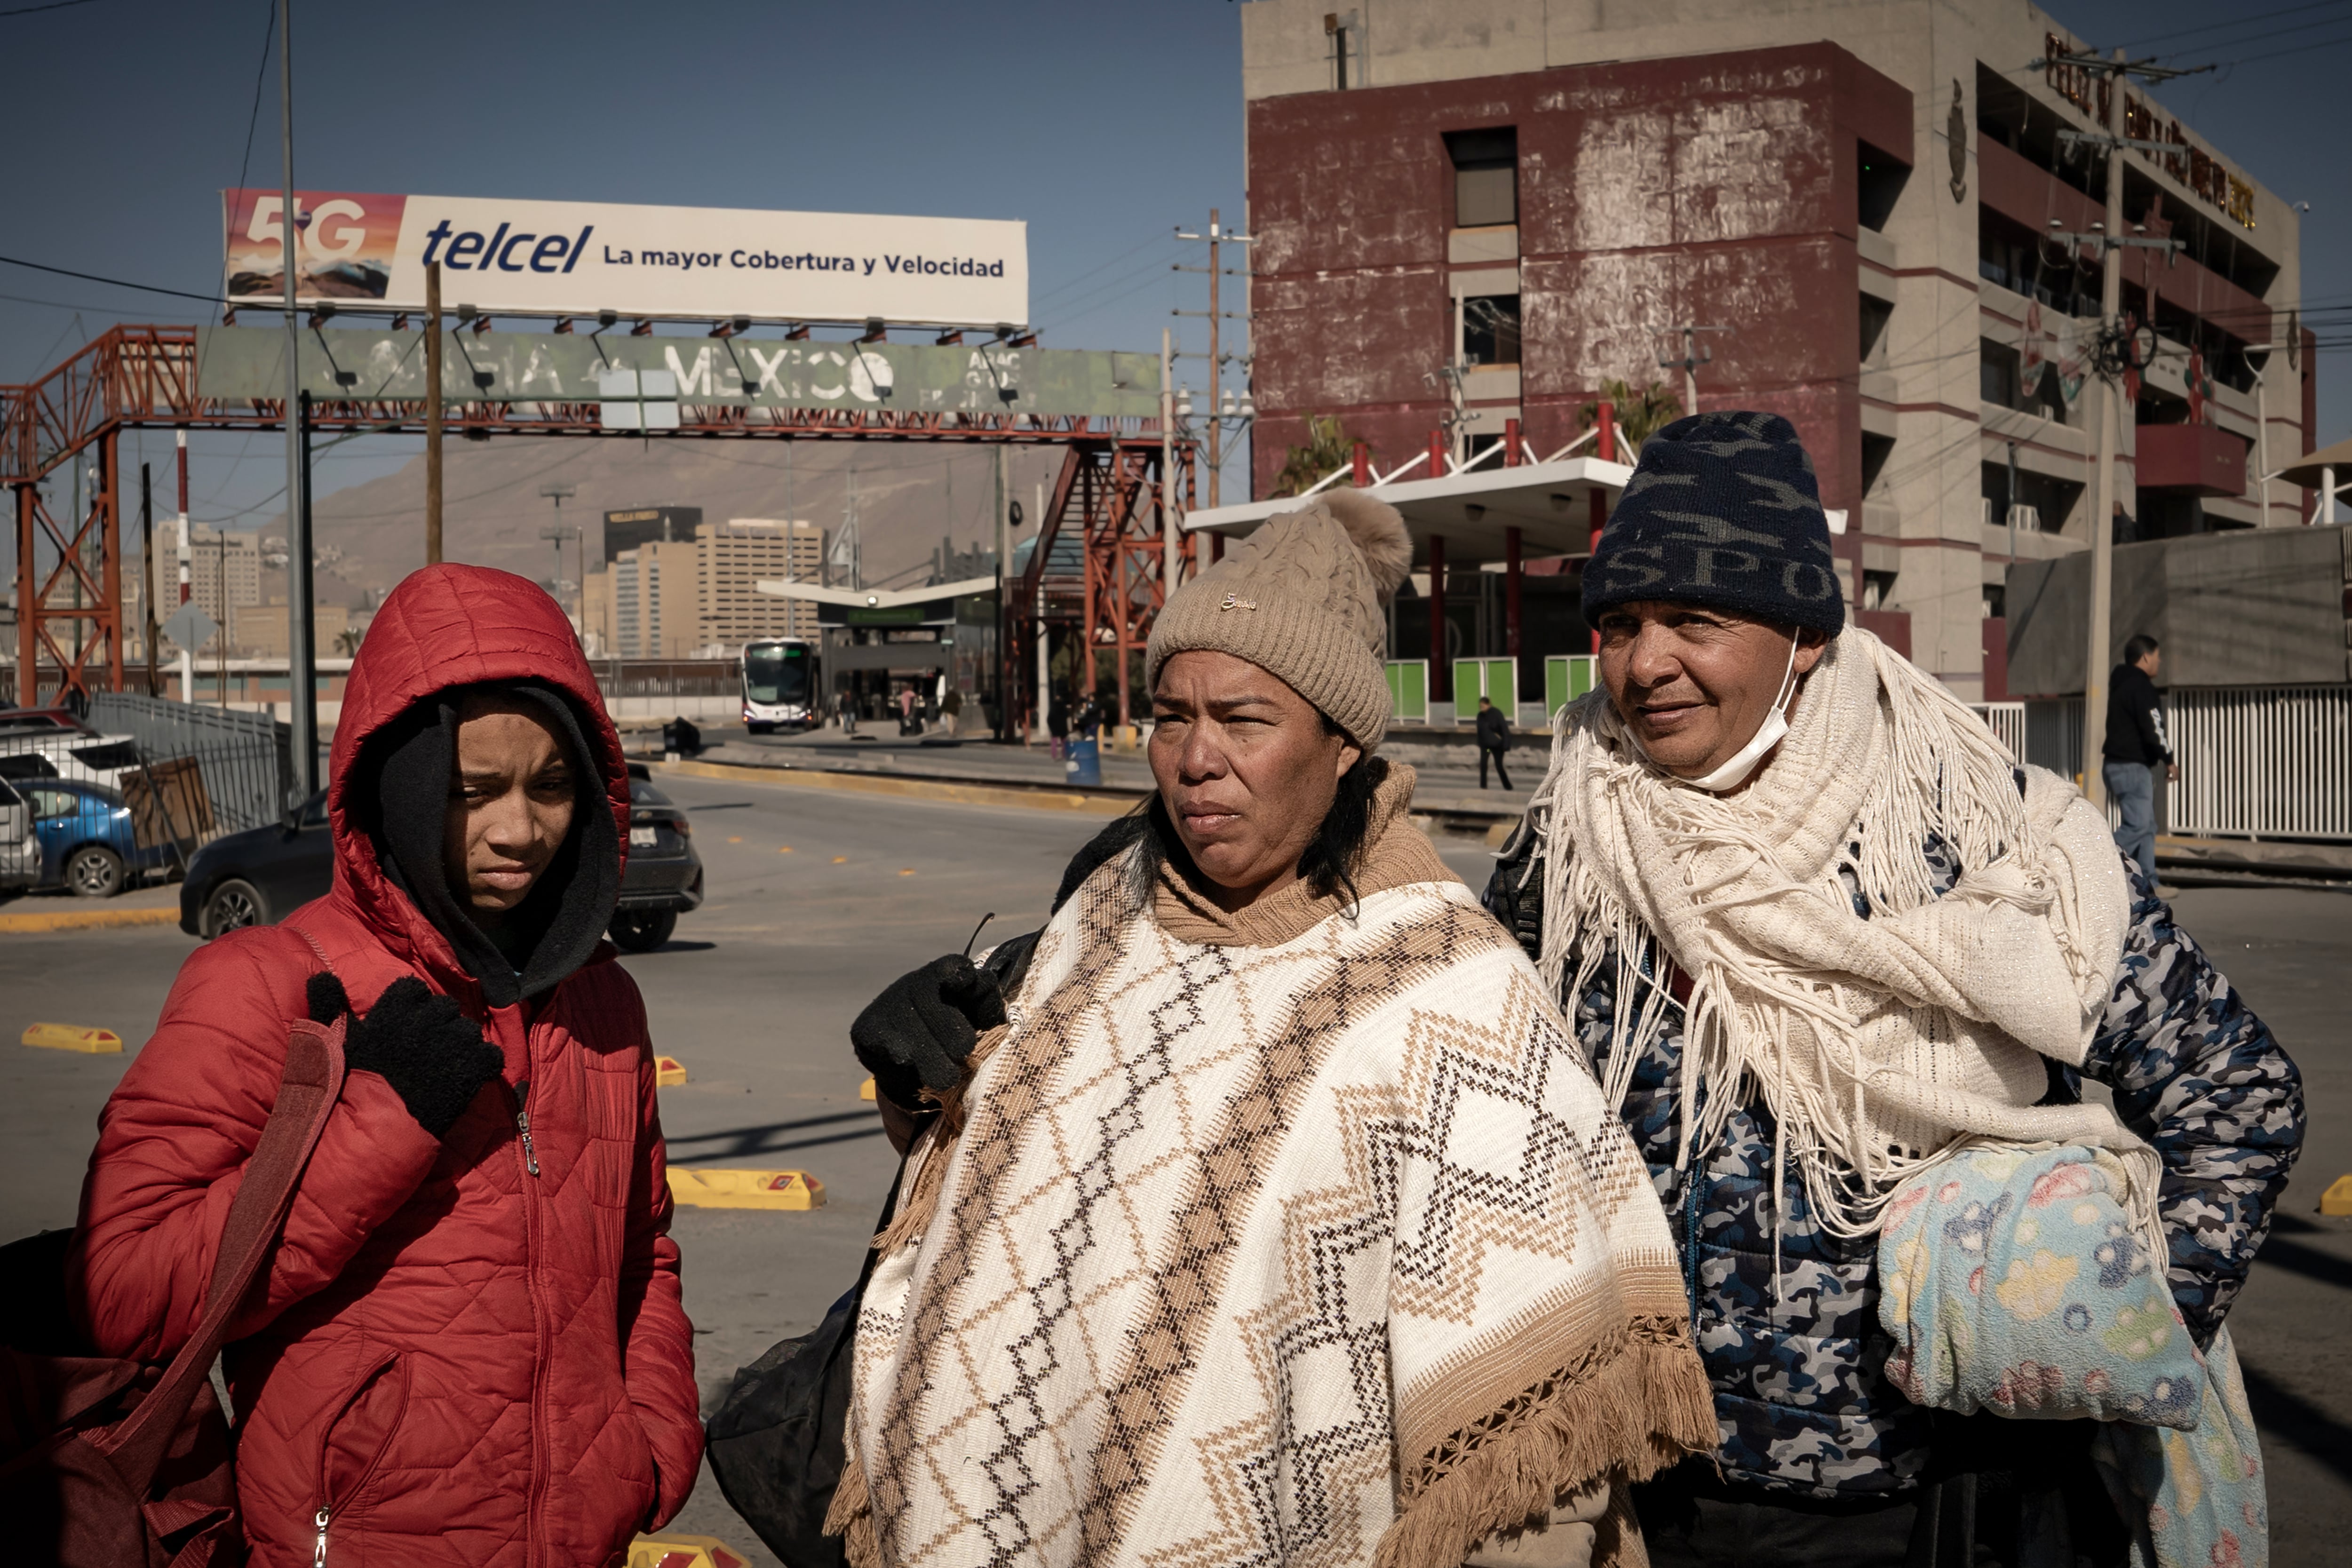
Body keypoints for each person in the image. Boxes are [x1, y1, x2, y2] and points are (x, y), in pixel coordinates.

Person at [1484, 412, 2303, 1566]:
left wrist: (2114, 1324)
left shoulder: (1977, 833)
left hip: (1932, 1504)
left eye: (1693, 620)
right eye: (1618, 623)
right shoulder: (1569, 842)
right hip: (1654, 1491)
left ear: (1804, 635)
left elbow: (2240, 1100)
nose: (1643, 662)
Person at [839, 489, 1714, 1568]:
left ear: (1343, 744)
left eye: (1244, 720)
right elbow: (1008, 1205)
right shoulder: (1094, 929)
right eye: (1172, 715)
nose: (1194, 758)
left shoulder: (1452, 1000)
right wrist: (913, 1093)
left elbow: (1522, 1483)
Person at [70, 564, 703, 1566]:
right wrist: (378, 1121)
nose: (520, 830)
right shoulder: (264, 983)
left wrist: (651, 1440)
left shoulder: (602, 999)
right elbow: (122, 1289)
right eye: (473, 790)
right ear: (402, 787)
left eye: (550, 787)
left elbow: (642, 1251)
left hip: (584, 1540)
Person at [2103, 632, 2175, 880]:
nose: (2160, 661)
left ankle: (2148, 883)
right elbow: (2154, 726)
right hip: (2132, 766)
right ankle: (2096, 864)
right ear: (2146, 657)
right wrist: (2168, 758)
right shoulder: (2141, 687)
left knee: (2147, 828)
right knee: (2138, 826)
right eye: (2157, 656)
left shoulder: (2120, 684)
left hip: (2115, 765)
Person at [1476, 692, 1513, 789]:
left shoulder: (1496, 714)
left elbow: (1505, 729)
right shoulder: (1480, 716)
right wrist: (1480, 743)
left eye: (1483, 706)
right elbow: (1480, 731)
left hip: (1497, 746)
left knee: (1499, 766)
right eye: (1481, 707)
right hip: (1487, 747)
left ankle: (1508, 786)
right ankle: (1483, 786)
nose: (1482, 708)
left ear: (1488, 705)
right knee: (1484, 764)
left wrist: (1506, 745)